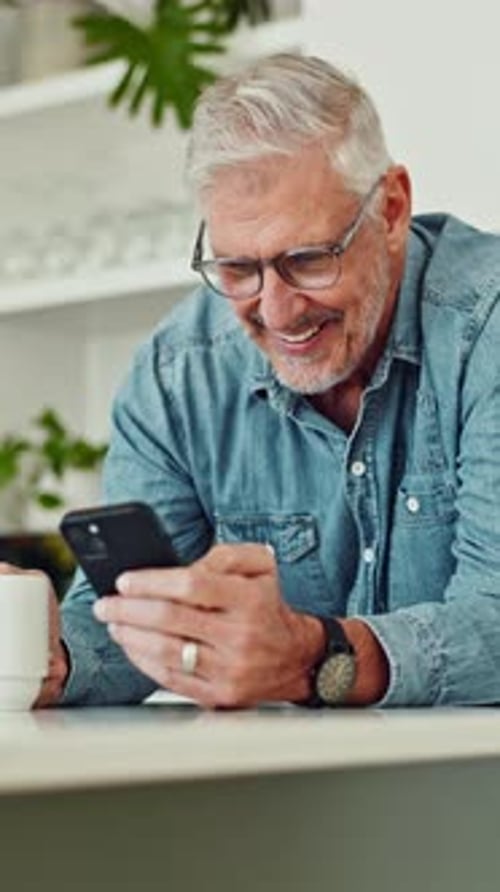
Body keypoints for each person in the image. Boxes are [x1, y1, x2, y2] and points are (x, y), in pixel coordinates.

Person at [34, 52, 500, 709]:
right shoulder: (179, 374)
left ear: (392, 210)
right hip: (287, 775)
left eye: (308, 260)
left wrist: (315, 657)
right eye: (237, 269)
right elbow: (129, 624)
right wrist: (47, 656)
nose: (278, 312)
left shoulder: (485, 327)